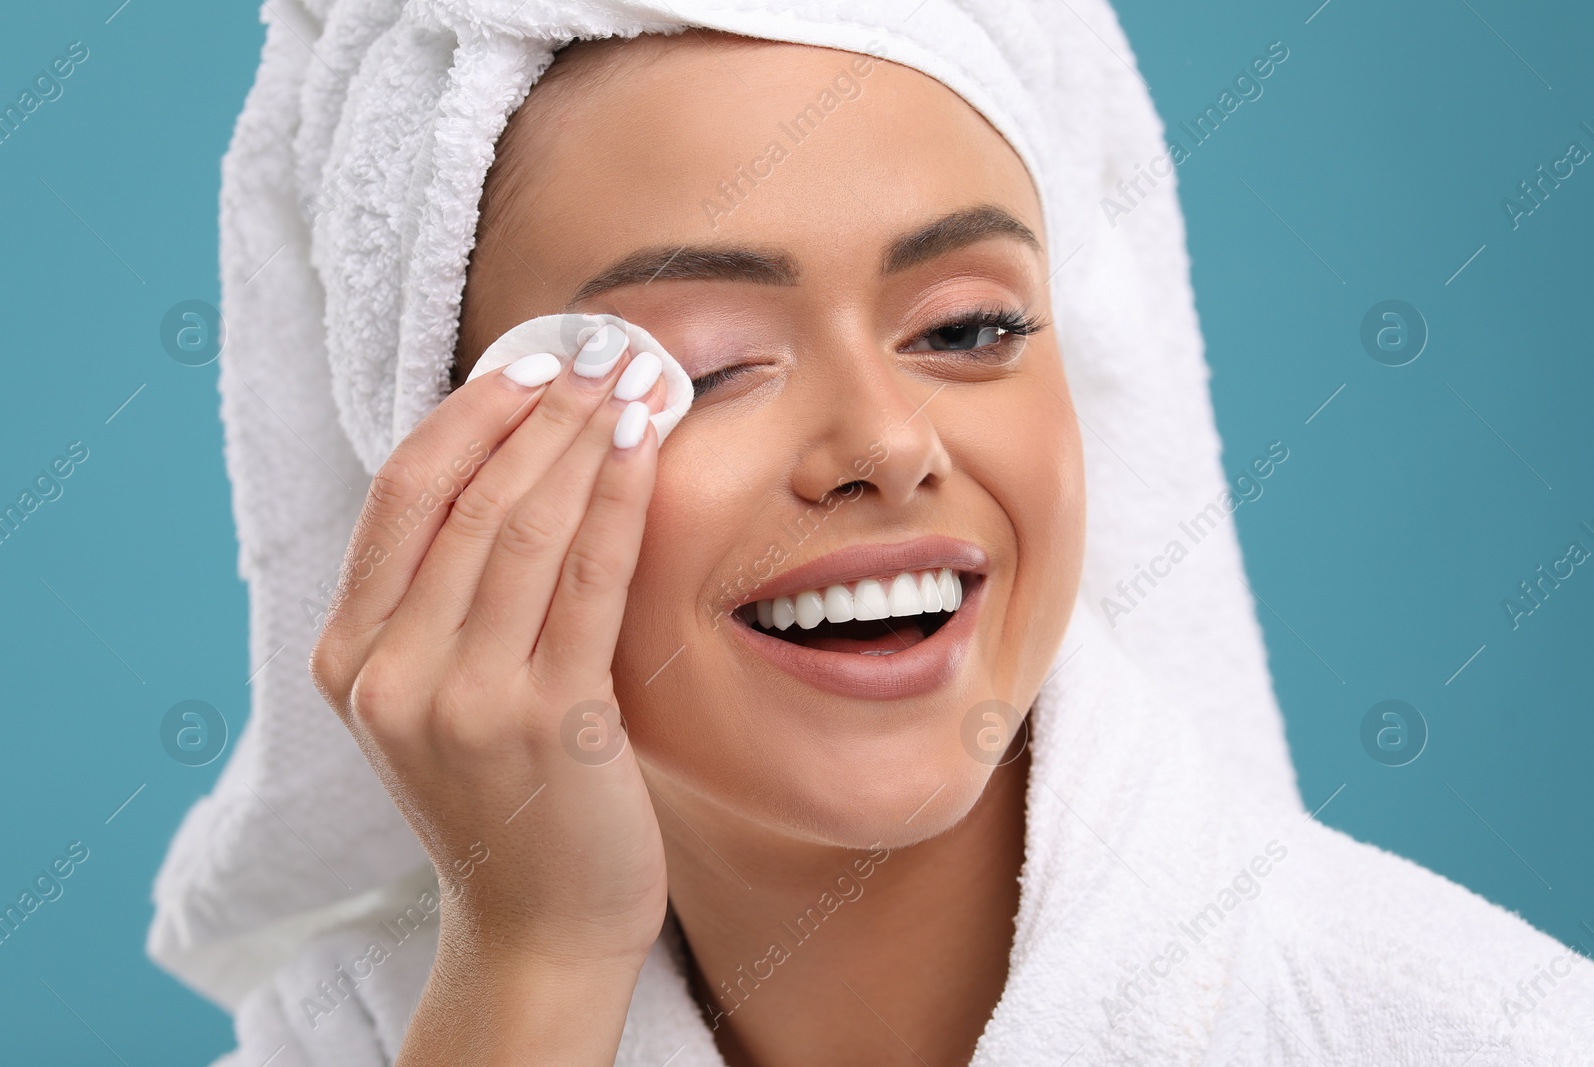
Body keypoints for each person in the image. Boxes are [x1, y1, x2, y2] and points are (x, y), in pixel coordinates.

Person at [151, 6, 1594, 1066]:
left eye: (967, 329)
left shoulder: (1466, 1035)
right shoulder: (360, 1037)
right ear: (451, 474)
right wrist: (537, 966)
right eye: (702, 366)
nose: (888, 445)